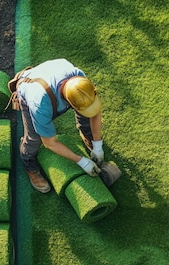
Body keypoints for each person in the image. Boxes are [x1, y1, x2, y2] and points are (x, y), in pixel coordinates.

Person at [15, 58, 105, 193]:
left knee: (87, 115)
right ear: (69, 103)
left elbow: (95, 112)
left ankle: (89, 138)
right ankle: (29, 164)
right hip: (30, 87)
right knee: (34, 138)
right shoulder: (40, 104)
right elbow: (50, 143)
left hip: (52, 81)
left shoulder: (80, 80)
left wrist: (98, 145)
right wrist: (81, 161)